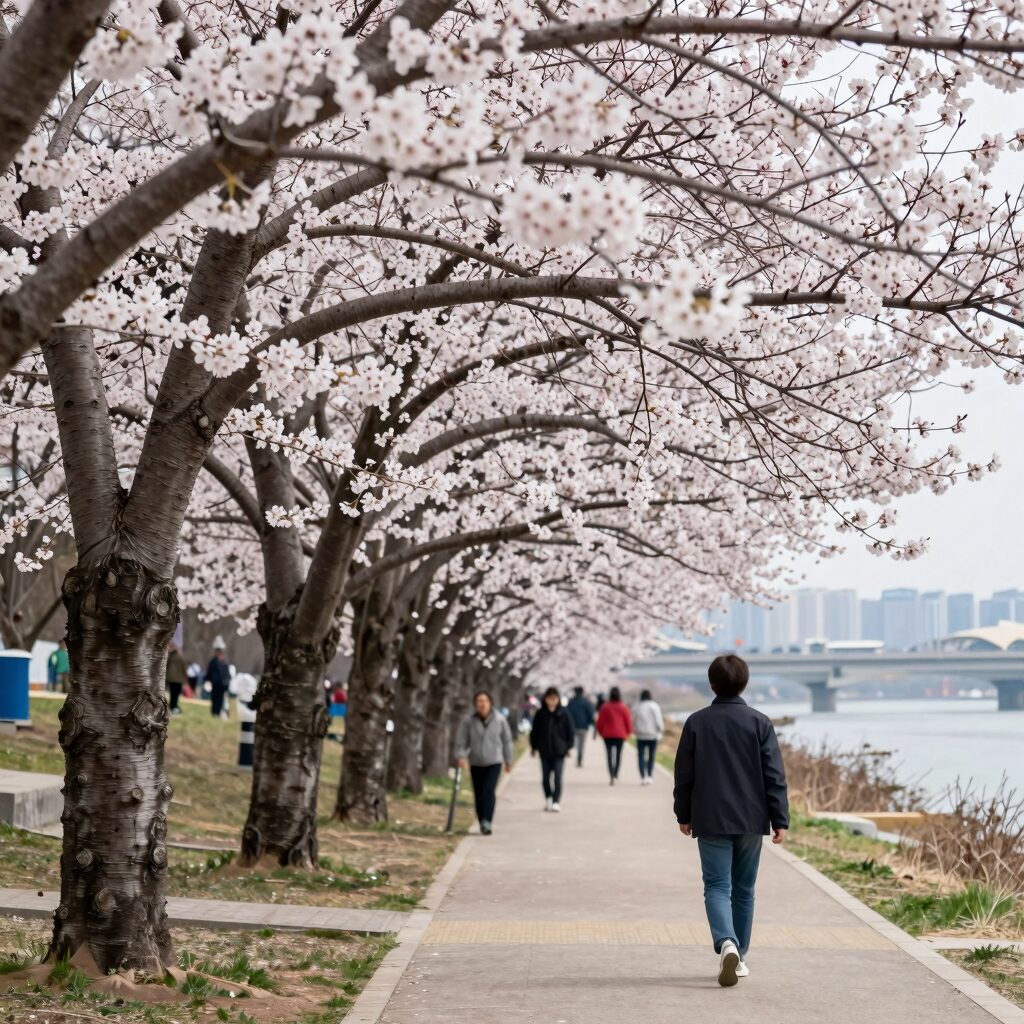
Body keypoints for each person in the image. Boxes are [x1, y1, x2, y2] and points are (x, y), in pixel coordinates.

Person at [673, 654, 789, 988]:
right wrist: (780, 817)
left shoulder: (696, 722)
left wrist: (684, 814)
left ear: (711, 684)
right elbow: (773, 775)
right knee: (744, 889)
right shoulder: (760, 722)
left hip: (710, 817)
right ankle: (740, 958)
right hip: (752, 818)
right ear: (745, 683)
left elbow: (684, 775)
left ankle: (726, 943)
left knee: (717, 886)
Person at [454, 691, 515, 835]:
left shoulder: (500, 719)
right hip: (476, 761)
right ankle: (482, 819)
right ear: (475, 704)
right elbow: (461, 741)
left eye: (485, 700)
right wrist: (461, 756)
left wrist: (508, 760)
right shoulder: (468, 721)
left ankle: (487, 820)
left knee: (488, 791)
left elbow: (507, 741)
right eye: (479, 701)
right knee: (478, 792)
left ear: (490, 703)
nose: (482, 704)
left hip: (494, 761)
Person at [529, 686, 575, 811]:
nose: (552, 701)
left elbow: (570, 731)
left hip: (559, 751)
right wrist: (533, 747)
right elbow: (534, 731)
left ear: (558, 699)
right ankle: (548, 797)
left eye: (554, 698)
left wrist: (569, 747)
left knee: (558, 777)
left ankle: (556, 800)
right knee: (545, 778)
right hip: (544, 750)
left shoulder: (563, 713)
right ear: (545, 699)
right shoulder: (540, 714)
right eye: (549, 698)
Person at [595, 686, 632, 785]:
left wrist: (600, 732)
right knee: (618, 755)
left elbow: (600, 722)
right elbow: (628, 721)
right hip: (620, 734)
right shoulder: (623, 707)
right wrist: (628, 732)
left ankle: (611, 775)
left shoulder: (605, 707)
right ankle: (616, 775)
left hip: (607, 735)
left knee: (609, 755)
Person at [633, 688, 665, 784]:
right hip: (652, 735)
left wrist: (636, 730)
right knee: (651, 756)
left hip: (640, 735)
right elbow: (658, 720)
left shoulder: (637, 706)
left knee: (641, 756)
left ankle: (643, 776)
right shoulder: (654, 706)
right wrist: (661, 730)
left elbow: (634, 721)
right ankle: (650, 776)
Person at [565, 686, 595, 768]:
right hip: (583, 727)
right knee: (581, 745)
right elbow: (590, 714)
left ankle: (575, 751)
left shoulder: (571, 702)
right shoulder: (586, 702)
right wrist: (592, 724)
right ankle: (579, 759)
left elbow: (567, 714)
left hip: (572, 726)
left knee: (575, 741)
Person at [204, 643, 232, 719]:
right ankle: (214, 714)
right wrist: (207, 681)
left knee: (221, 701)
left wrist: (227, 682)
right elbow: (209, 673)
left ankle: (219, 713)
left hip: (222, 686)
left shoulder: (224, 663)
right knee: (214, 700)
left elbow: (227, 675)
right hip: (214, 685)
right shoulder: (213, 662)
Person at [165, 641, 188, 716]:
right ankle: (173, 707)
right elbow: (184, 668)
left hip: (171, 679)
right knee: (175, 695)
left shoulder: (169, 656)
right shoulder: (180, 657)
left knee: (172, 694)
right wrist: (185, 679)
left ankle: (172, 707)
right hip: (178, 680)